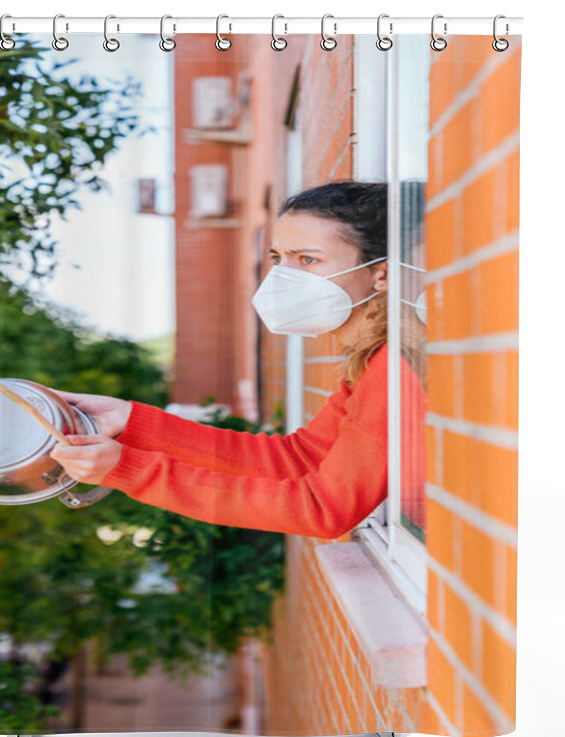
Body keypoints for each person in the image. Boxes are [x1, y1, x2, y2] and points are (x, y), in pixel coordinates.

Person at [49, 180, 427, 538]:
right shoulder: (375, 364)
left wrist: (128, 469)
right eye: (279, 258)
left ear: (381, 275)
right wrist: (130, 421)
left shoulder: (398, 370)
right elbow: (297, 459)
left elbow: (321, 507)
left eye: (308, 260)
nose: (283, 276)